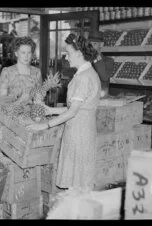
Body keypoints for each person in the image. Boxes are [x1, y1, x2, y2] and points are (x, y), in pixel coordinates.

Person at [26, 33, 101, 191]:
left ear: (79, 53)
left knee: (78, 181)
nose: (66, 57)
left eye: (68, 53)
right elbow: (77, 108)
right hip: (82, 131)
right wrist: (51, 110)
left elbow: (72, 112)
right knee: (80, 179)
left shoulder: (83, 78)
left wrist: (45, 125)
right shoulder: (87, 73)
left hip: (79, 134)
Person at [0, 36, 42, 101]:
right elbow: (2, 98)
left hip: (32, 110)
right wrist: (16, 99)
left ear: (32, 54)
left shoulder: (36, 72)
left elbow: (39, 98)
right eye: (23, 52)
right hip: (11, 110)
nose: (26, 56)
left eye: (29, 52)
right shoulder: (7, 72)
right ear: (16, 53)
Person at [88, 31, 114, 98]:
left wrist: (97, 56)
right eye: (89, 44)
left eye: (94, 44)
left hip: (100, 99)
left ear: (101, 45)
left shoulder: (108, 61)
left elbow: (104, 77)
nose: (91, 47)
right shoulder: (85, 61)